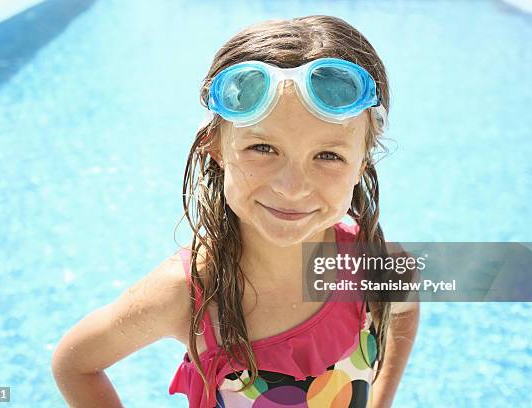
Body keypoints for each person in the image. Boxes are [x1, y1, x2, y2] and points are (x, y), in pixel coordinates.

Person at [51, 15, 419, 408]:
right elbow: (74, 364)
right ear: (216, 147)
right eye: (263, 149)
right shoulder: (190, 292)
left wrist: (381, 399)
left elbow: (405, 308)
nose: (291, 187)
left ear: (363, 161)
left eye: (328, 155)